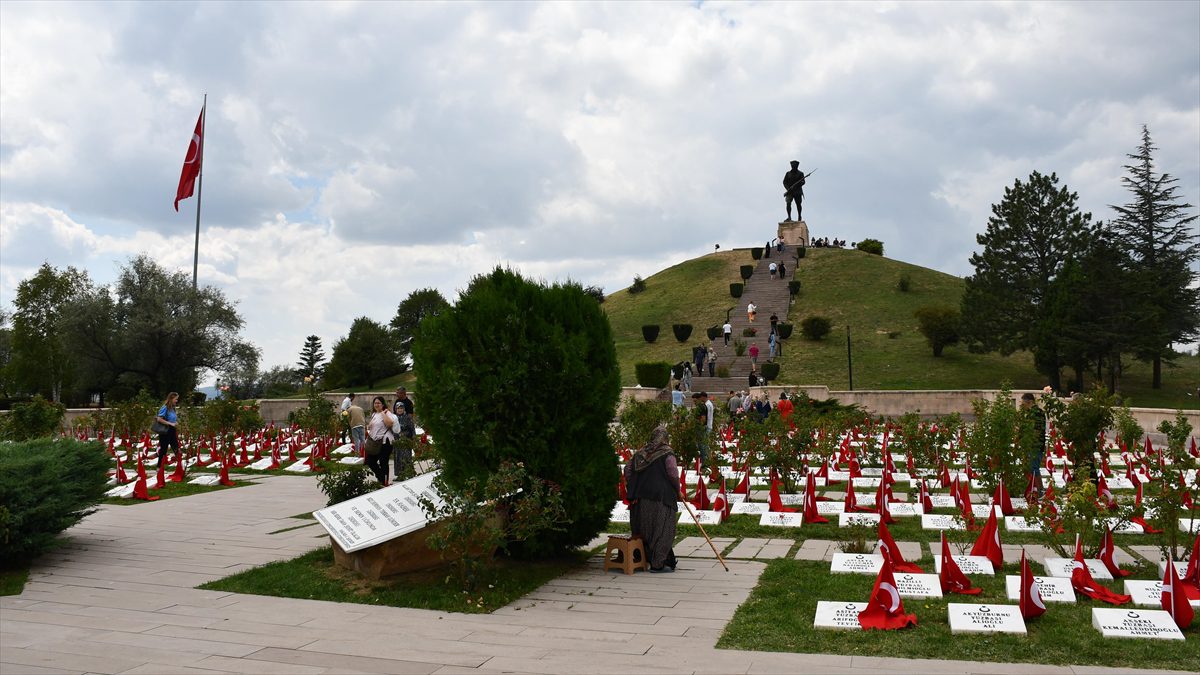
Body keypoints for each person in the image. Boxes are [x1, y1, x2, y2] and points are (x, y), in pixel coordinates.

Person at [623, 424, 679, 573]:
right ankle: (658, 564)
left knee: (643, 529)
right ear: (665, 438)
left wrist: (634, 485)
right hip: (661, 498)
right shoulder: (667, 453)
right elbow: (673, 473)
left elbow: (627, 470)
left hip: (640, 498)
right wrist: (677, 489)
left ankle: (642, 559)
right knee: (662, 530)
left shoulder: (640, 453)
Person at [1020, 392, 1048, 499]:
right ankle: (1031, 489)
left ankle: (1040, 491)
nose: (1023, 406)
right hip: (1031, 444)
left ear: (1029, 402)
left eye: (1024, 403)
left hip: (1035, 445)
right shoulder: (1031, 413)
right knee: (1030, 468)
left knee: (1034, 467)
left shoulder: (1037, 413)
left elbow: (1036, 431)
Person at [364, 396, 397, 484]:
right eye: (375, 403)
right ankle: (381, 477)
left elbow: (389, 424)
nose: (377, 405)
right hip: (375, 442)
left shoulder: (387, 413)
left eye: (378, 403)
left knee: (383, 462)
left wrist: (383, 413)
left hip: (385, 442)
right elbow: (371, 426)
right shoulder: (374, 414)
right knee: (370, 461)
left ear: (383, 404)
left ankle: (384, 481)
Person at [392, 387, 416, 480]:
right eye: (398, 408)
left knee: (407, 456)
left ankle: (410, 473)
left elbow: (411, 425)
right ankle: (399, 474)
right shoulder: (397, 403)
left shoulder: (409, 403)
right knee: (398, 456)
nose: (396, 394)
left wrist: (412, 437)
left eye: (398, 392)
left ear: (403, 393)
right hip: (397, 439)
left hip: (406, 438)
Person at [155, 392, 181, 468]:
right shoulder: (165, 407)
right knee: (163, 449)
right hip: (165, 431)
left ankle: (180, 465)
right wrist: (170, 423)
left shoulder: (172, 408)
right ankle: (159, 467)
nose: (177, 401)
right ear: (171, 398)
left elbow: (171, 418)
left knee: (175, 447)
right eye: (176, 399)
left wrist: (175, 422)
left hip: (172, 430)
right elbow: (159, 419)